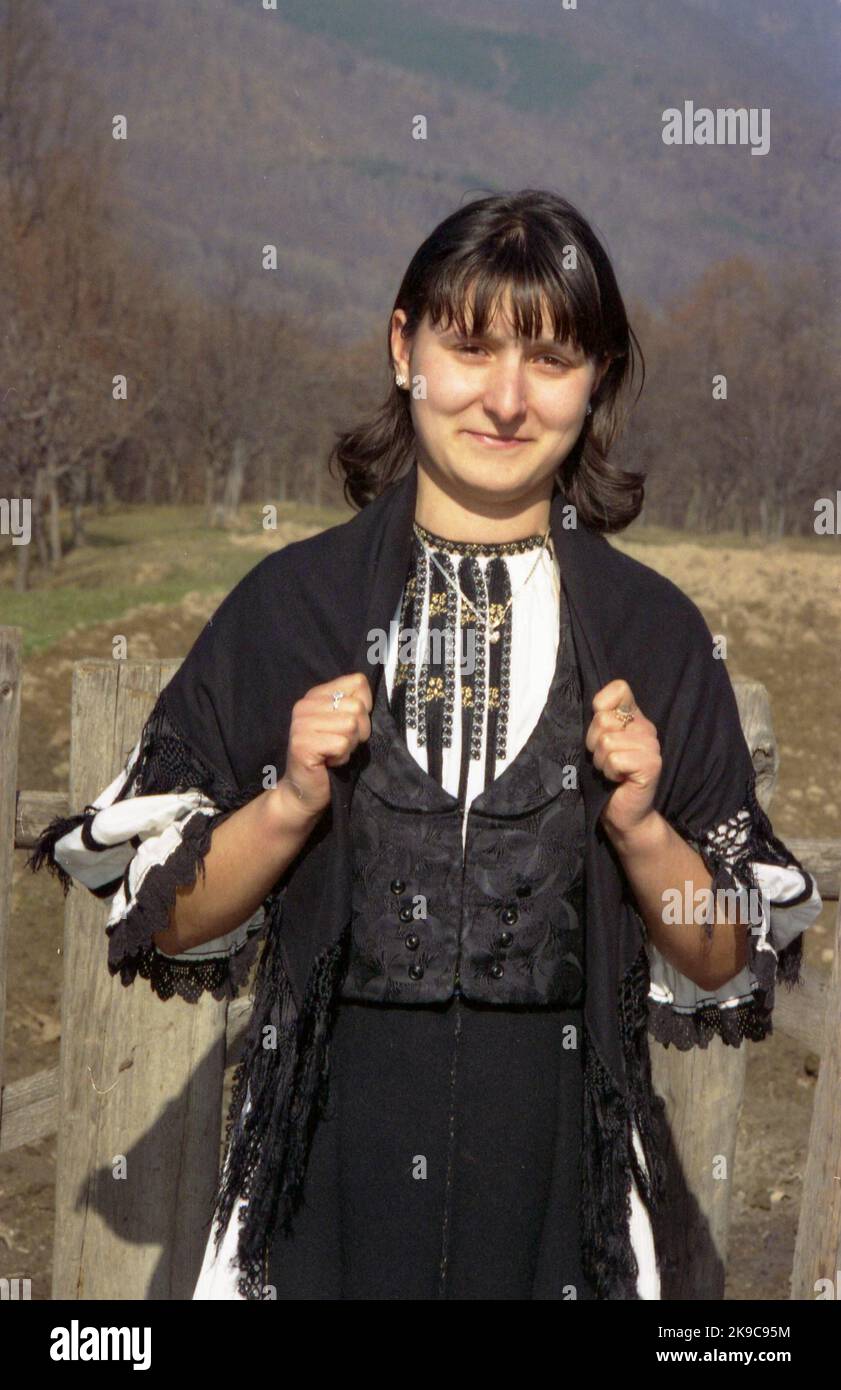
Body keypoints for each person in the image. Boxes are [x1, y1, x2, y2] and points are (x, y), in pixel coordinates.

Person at [29, 189, 822, 1301]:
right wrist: (289, 802)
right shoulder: (288, 607)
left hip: (562, 1196)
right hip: (318, 1187)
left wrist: (642, 832)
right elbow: (168, 918)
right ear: (405, 348)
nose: (505, 398)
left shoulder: (651, 633)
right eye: (470, 346)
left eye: (548, 359)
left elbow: (725, 954)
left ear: (595, 381)